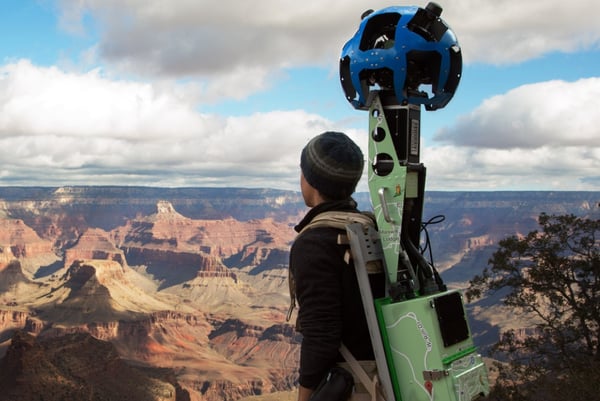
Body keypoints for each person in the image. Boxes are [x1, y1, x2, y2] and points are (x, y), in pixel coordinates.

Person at [289, 131, 385, 401]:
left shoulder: (314, 242)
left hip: (354, 387)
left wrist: (305, 397)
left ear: (310, 179)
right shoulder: (370, 227)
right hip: (387, 377)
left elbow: (321, 334)